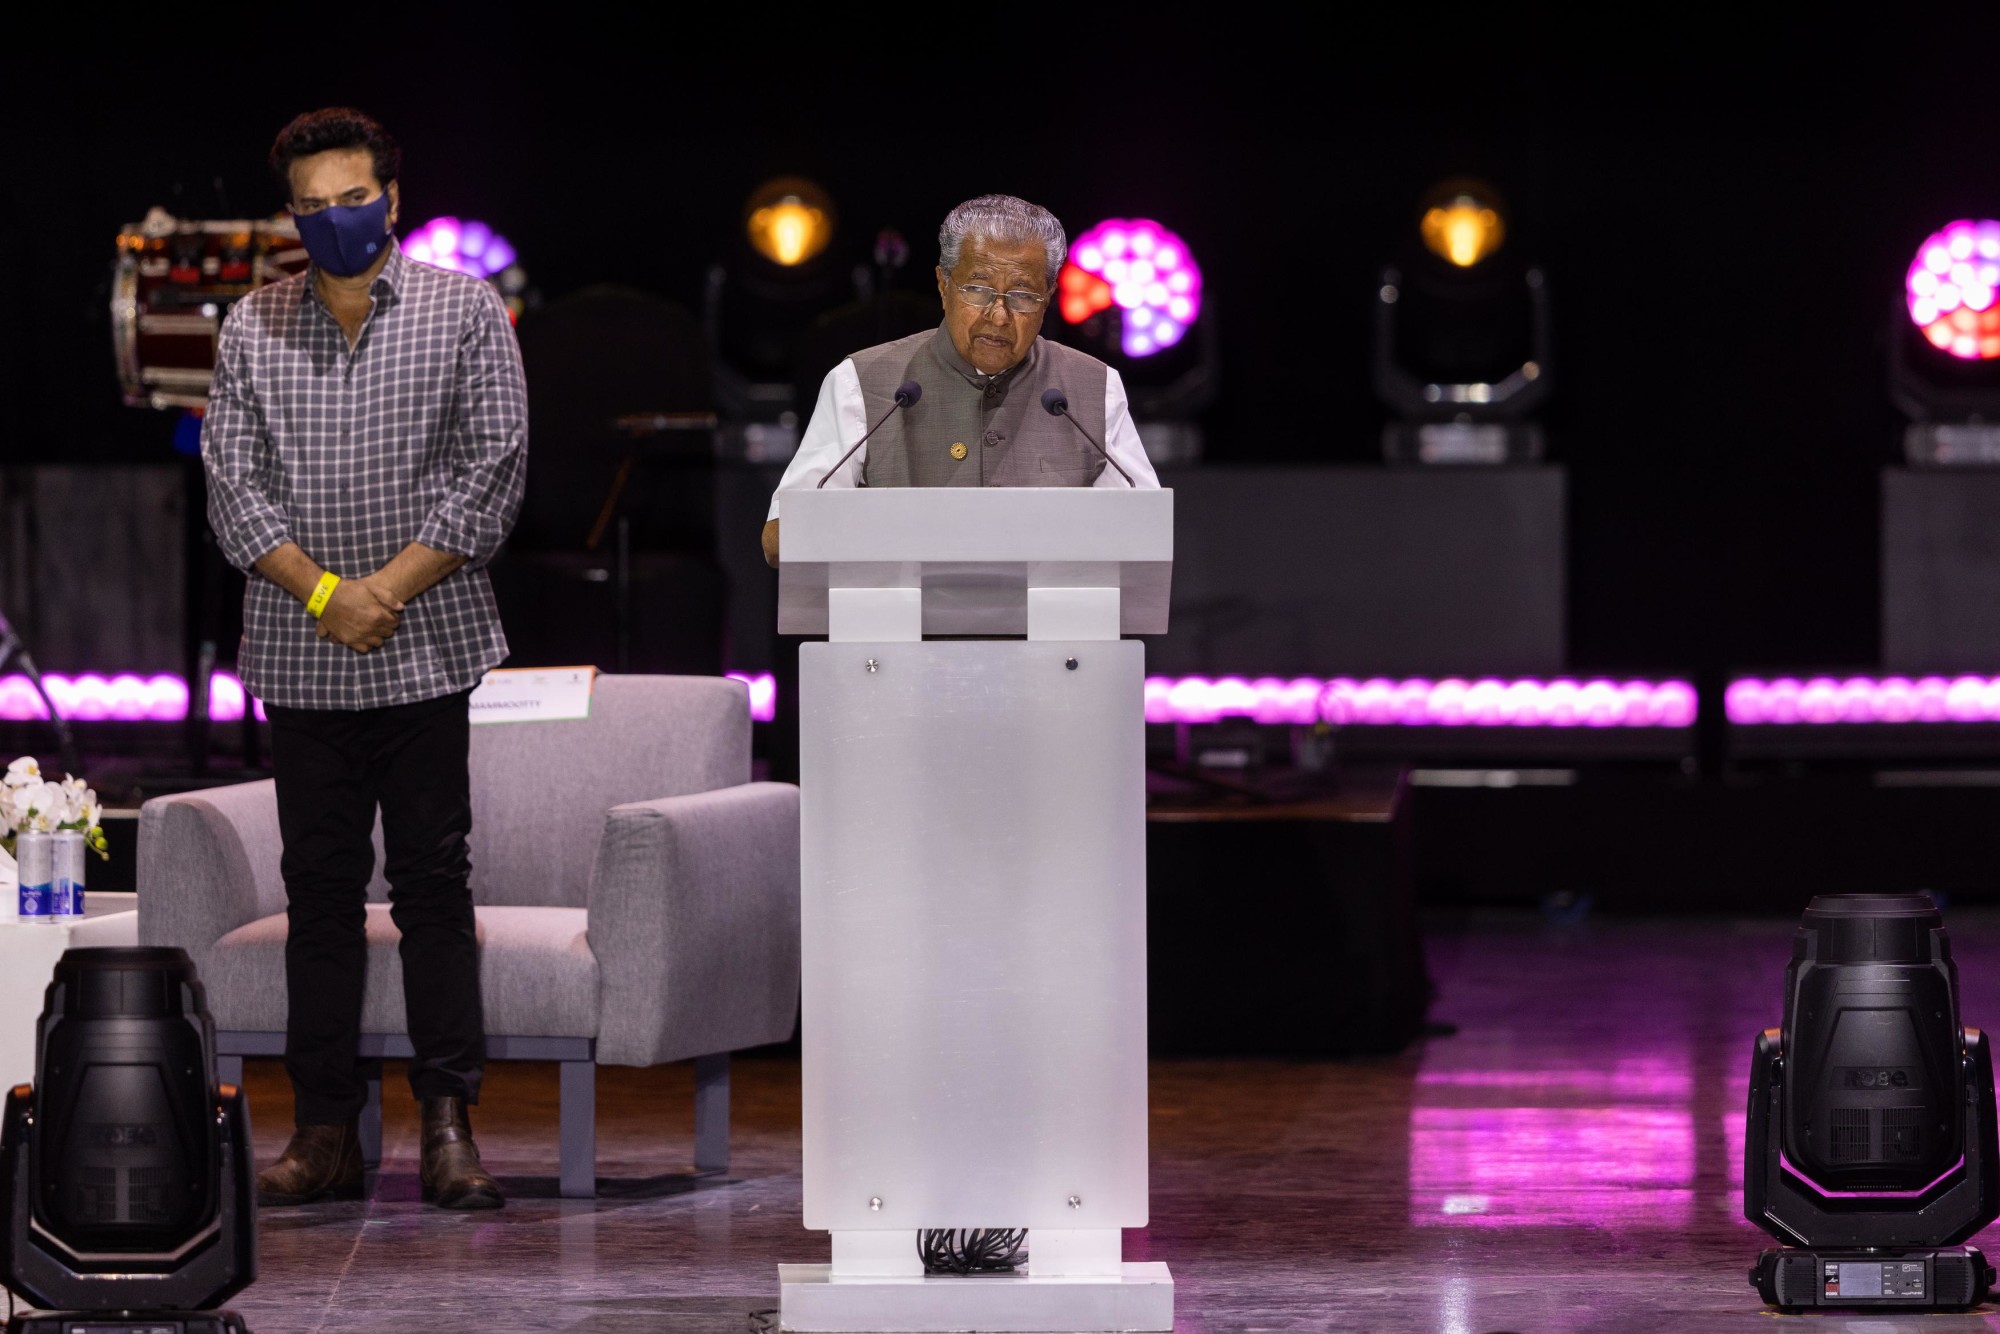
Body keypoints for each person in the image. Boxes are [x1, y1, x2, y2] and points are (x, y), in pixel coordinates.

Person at [202, 107, 528, 1210]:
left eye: (353, 199)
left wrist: (384, 590)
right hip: (304, 659)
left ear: (392, 196)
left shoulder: (463, 309)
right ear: (289, 212)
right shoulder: (251, 326)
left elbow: (492, 470)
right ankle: (325, 1129)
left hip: (426, 646)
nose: (334, 220)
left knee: (436, 888)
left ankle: (448, 1124)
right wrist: (329, 595)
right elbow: (233, 488)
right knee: (319, 894)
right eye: (313, 205)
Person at [761, 194, 1158, 564]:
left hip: (1052, 637)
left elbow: (1146, 536)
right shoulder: (861, 382)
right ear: (943, 284)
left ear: (1050, 295)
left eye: (1022, 295)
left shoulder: (1093, 387)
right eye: (978, 289)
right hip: (900, 635)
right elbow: (782, 539)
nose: (999, 315)